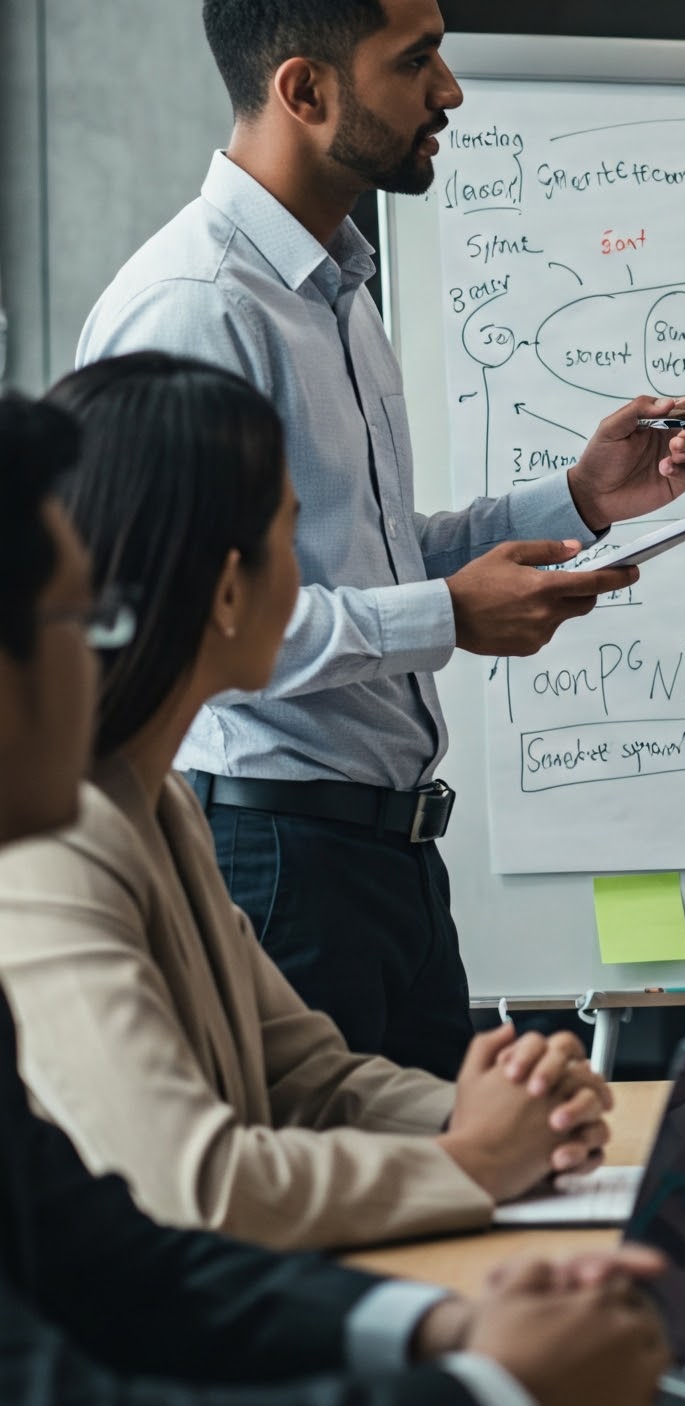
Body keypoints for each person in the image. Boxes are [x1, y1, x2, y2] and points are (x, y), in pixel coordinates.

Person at [0, 390, 670, 1406]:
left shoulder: (159, 808)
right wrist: (497, 1391)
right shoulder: (52, 855)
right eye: (68, 614)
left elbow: (130, 1256)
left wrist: (442, 1326)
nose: (92, 648)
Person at [76, 0, 685, 1077]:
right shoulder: (196, 309)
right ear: (305, 91)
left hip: (386, 861)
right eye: (415, 58)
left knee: (453, 1194)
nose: (451, 91)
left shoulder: (332, 287)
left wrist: (576, 497)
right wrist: (450, 620)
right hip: (274, 857)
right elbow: (180, 625)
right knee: (328, 1228)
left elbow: (362, 553)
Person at [0, 353, 618, 1250]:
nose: (313, 588)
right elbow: (197, 1185)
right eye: (294, 544)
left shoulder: (162, 809)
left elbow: (308, 1076)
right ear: (224, 589)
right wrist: (477, 1159)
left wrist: (505, 1115)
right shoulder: (56, 853)